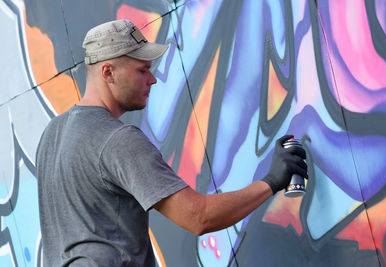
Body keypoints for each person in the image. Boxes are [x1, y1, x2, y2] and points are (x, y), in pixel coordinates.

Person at [36, 19, 308, 267]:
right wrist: (271, 181)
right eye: (142, 70)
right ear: (108, 72)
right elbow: (198, 217)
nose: (153, 79)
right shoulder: (117, 140)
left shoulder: (52, 135)